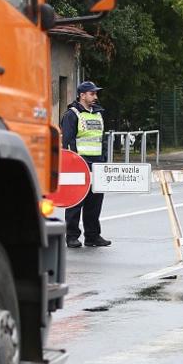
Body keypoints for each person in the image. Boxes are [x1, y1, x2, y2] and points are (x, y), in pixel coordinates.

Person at [61, 81, 110, 248]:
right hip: (79, 164)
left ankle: (92, 236)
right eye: (92, 93)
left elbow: (101, 139)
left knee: (95, 202)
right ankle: (72, 236)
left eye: (96, 94)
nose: (95, 97)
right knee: (76, 202)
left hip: (97, 163)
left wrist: (104, 160)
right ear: (82, 95)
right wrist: (72, 163)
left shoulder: (98, 114)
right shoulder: (72, 114)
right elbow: (67, 141)